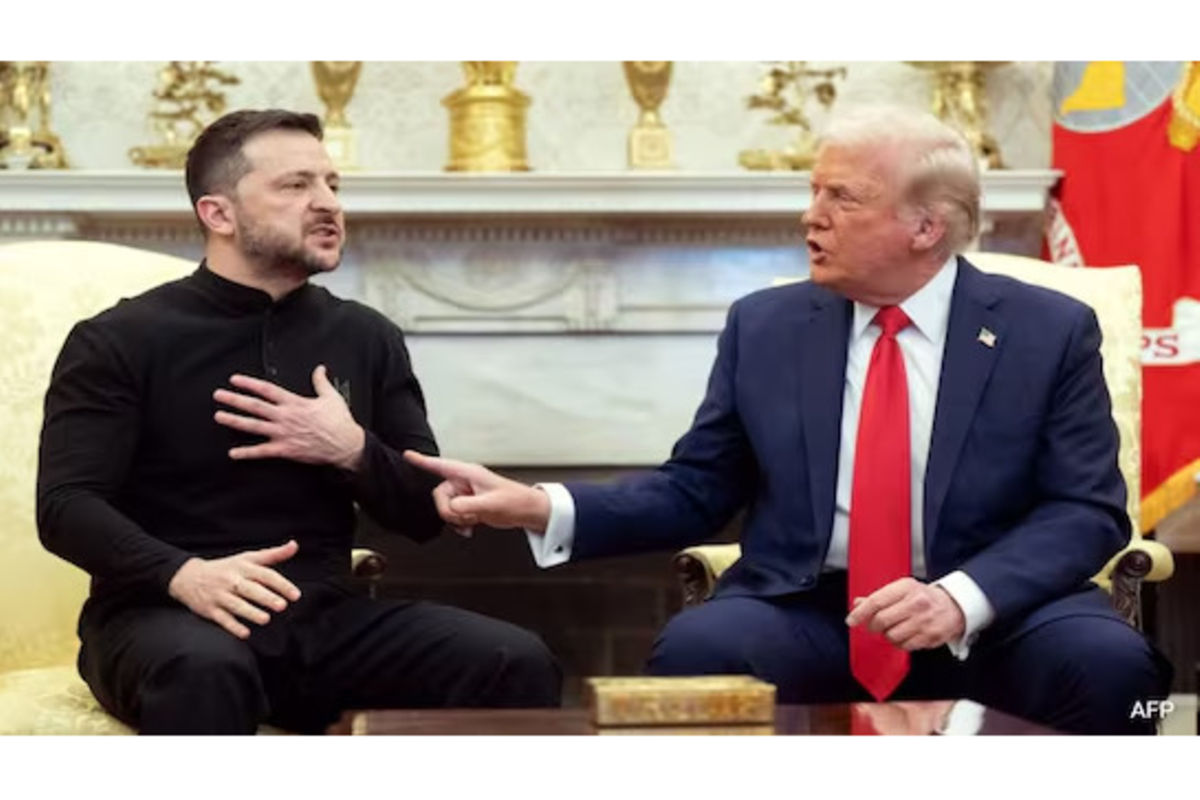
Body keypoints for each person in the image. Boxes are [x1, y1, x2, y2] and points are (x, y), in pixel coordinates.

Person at [404, 105, 1171, 735]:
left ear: (926, 227)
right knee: (698, 652)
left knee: (1115, 672)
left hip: (999, 609)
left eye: (843, 197)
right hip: (814, 607)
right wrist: (540, 505)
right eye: (814, 192)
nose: (812, 216)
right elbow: (696, 490)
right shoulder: (766, 326)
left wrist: (959, 597)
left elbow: (1087, 510)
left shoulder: (1047, 330)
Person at [36, 108, 560, 735]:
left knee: (512, 659)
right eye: (295, 185)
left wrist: (352, 450)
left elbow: (423, 513)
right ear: (218, 214)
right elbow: (66, 506)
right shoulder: (119, 338)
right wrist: (183, 575)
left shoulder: (366, 336)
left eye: (332, 184)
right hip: (161, 617)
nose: (328, 203)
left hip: (323, 619)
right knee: (207, 669)